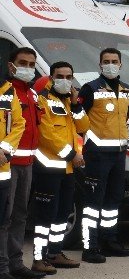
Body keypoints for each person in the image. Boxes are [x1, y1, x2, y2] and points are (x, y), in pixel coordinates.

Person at [78, 47, 129, 262]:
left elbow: (124, 117)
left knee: (113, 201)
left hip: (119, 153)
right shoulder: (90, 88)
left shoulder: (126, 89)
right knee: (93, 202)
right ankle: (89, 246)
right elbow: (79, 120)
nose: (110, 64)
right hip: (97, 155)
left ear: (121, 64)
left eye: (114, 61)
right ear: (99, 64)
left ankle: (109, 241)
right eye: (106, 61)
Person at [31, 62, 89, 268]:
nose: (65, 81)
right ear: (51, 78)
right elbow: (48, 136)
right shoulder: (43, 101)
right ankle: (39, 258)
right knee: (45, 216)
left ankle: (54, 253)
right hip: (49, 168)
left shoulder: (67, 102)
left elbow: (84, 126)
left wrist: (76, 104)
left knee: (63, 213)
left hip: (67, 169)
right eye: (60, 76)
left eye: (69, 77)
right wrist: (72, 155)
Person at [0, 47, 44, 279]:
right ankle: (3, 267)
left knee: (20, 214)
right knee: (4, 217)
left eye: (31, 64)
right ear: (11, 66)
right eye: (23, 63)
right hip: (7, 163)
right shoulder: (7, 92)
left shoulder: (33, 94)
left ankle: (16, 263)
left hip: (27, 162)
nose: (28, 68)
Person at [0, 75, 25, 279]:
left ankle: (1, 271)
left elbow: (19, 123)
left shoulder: (9, 91)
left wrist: (5, 148)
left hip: (3, 169)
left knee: (2, 222)